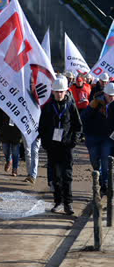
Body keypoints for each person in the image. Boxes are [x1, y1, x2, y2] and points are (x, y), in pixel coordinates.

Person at [39, 76, 82, 215]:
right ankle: (58, 202)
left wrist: (73, 141)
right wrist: (46, 144)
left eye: (61, 92)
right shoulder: (47, 107)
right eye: (56, 92)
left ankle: (68, 203)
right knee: (55, 177)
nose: (59, 94)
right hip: (53, 147)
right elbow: (42, 127)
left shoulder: (70, 105)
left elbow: (78, 125)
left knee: (67, 176)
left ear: (65, 91)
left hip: (66, 146)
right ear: (53, 92)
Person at [83, 82, 114, 196]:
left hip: (108, 138)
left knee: (106, 160)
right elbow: (84, 118)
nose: (111, 98)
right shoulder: (96, 102)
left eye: (113, 95)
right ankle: (101, 180)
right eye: (109, 95)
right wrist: (91, 108)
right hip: (93, 136)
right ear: (105, 94)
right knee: (95, 161)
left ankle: (105, 185)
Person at [0, 107, 23, 176]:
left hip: (16, 131)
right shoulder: (4, 102)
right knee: (5, 149)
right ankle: (8, 160)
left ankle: (15, 168)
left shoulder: (20, 103)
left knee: (15, 152)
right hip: (5, 130)